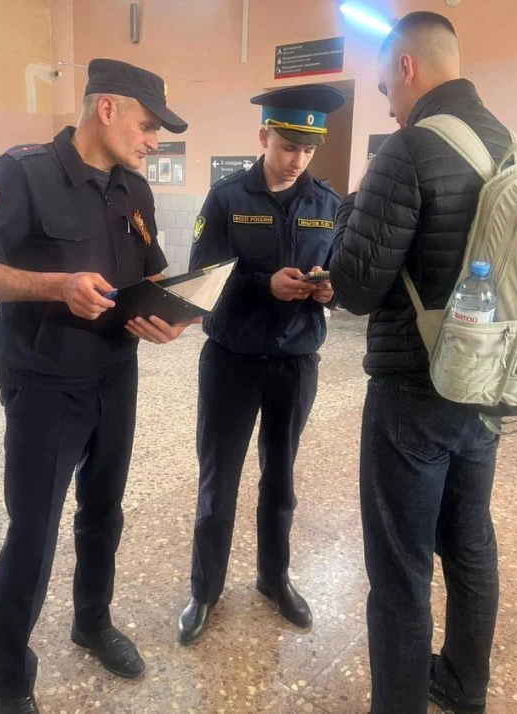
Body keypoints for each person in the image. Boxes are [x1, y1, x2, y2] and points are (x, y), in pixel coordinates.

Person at [0, 59, 193, 714]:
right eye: (147, 126)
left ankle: (91, 622)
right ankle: (9, 682)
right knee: (33, 533)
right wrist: (56, 286)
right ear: (106, 109)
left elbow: (149, 273)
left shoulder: (133, 190)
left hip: (116, 372)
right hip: (43, 382)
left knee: (103, 510)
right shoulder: (25, 172)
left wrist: (166, 315)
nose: (153, 141)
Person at [330, 12, 511, 714]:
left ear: (407, 67)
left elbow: (353, 287)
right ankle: (464, 685)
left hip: (414, 390)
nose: (388, 104)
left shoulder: (407, 150)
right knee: (469, 542)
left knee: (401, 567)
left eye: (385, 87)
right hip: (487, 388)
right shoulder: (510, 147)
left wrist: (351, 209)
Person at [177, 84, 346, 644]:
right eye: (288, 146)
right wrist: (261, 285)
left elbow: (338, 272)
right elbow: (201, 282)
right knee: (218, 480)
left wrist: (331, 292)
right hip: (232, 361)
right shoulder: (227, 198)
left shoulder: (326, 203)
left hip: (295, 362)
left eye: (308, 149)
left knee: (281, 478)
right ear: (263, 137)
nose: (297, 160)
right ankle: (205, 591)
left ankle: (274, 579)